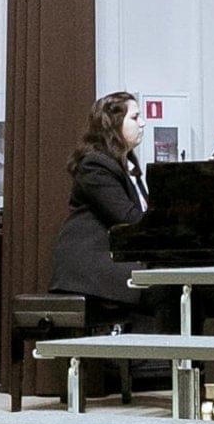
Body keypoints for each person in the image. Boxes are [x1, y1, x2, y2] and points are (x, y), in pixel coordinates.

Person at [50, 92, 163, 326]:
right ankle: (167, 359)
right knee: (168, 291)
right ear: (113, 124)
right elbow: (129, 220)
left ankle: (186, 358)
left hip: (113, 262)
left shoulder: (127, 166)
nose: (142, 123)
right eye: (135, 117)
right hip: (93, 267)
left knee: (185, 288)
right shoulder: (94, 165)